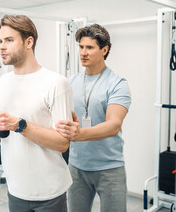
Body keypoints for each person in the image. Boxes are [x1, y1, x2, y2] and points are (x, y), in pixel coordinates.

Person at [0, 14, 73, 212]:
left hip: (49, 191)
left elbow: (62, 143)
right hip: (16, 188)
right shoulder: (4, 82)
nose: (1, 46)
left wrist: (20, 125)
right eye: (0, 41)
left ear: (29, 42)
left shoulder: (56, 83)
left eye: (9, 40)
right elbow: (1, 133)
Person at [56, 24, 131, 212]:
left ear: (104, 50)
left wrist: (79, 133)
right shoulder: (70, 82)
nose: (83, 52)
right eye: (81, 47)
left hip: (110, 168)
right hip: (76, 166)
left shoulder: (117, 84)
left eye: (89, 47)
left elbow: (113, 125)